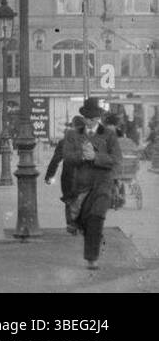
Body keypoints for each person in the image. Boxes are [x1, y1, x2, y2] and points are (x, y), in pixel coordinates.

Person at [75, 98, 121, 270]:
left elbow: (117, 160)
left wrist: (96, 157)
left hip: (103, 184)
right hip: (82, 186)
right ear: (84, 118)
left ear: (99, 118)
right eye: (87, 118)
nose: (90, 121)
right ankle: (92, 241)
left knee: (96, 218)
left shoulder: (109, 135)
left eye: (94, 118)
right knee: (82, 220)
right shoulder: (76, 134)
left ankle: (92, 258)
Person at [45, 118, 86, 233]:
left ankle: (71, 224)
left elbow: (56, 160)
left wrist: (49, 176)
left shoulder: (65, 142)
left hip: (69, 176)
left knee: (70, 200)